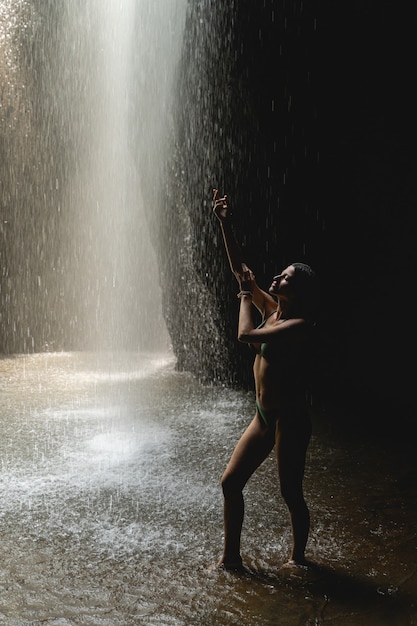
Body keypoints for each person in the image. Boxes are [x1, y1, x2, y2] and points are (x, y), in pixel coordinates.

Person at [212, 188, 319, 571]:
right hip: (263, 415)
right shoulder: (273, 309)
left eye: (286, 277)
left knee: (290, 492)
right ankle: (231, 559)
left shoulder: (299, 325)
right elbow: (241, 269)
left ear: (299, 290)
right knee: (230, 484)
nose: (277, 278)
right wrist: (225, 223)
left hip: (291, 420)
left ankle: (298, 558)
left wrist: (245, 296)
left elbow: (245, 336)